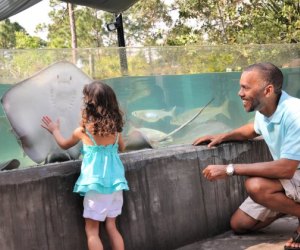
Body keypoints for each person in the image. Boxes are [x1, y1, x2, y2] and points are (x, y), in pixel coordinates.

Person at [193, 62, 300, 250]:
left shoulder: (294, 113)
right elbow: (252, 129)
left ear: (267, 90)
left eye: (245, 87)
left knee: (255, 186)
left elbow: (286, 168)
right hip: (292, 178)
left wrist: (229, 169)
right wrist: (224, 136)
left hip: (293, 172)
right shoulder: (265, 109)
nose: (239, 93)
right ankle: (290, 207)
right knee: (239, 224)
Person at [41, 80, 129, 250]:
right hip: (116, 185)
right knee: (112, 227)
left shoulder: (83, 131)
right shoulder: (115, 131)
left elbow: (64, 144)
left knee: (92, 231)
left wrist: (54, 130)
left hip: (96, 186)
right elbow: (122, 147)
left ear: (89, 104)